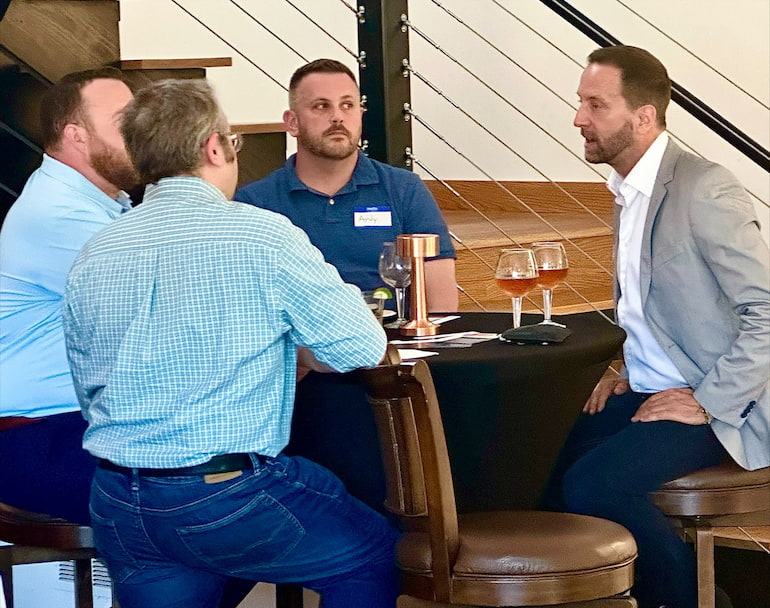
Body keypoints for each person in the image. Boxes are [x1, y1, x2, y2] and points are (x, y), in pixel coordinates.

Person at [61, 78, 399, 608]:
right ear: (214, 147)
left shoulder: (96, 250)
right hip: (227, 491)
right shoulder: (262, 234)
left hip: (119, 497)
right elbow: (358, 348)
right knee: (373, 552)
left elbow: (89, 386)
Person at [540, 46, 769, 608]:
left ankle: (698, 597)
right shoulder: (629, 190)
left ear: (643, 117)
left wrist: (707, 400)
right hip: (650, 388)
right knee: (534, 458)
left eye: (595, 105)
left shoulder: (703, 189)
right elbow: (659, 310)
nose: (578, 119)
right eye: (580, 103)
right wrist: (626, 367)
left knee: (594, 484)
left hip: (722, 400)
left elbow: (766, 310)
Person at [0, 67, 137, 524]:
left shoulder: (106, 204)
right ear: (77, 136)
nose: (143, 130)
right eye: (125, 119)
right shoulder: (59, 216)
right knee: (203, 500)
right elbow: (172, 306)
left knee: (229, 490)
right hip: (36, 436)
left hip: (79, 426)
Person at [235, 58, 458, 312]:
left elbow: (442, 301)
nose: (337, 117)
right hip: (298, 349)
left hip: (393, 346)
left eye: (347, 105)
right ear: (292, 122)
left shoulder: (404, 189)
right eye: (321, 106)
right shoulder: (255, 203)